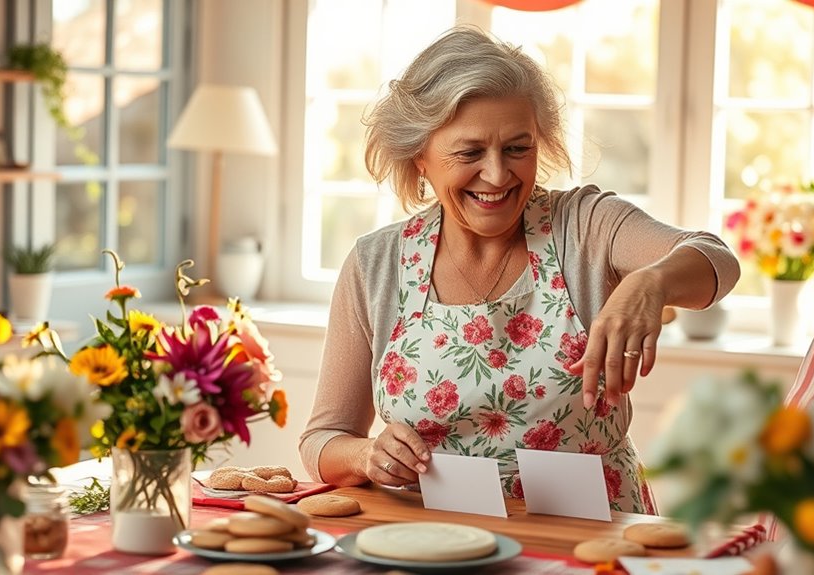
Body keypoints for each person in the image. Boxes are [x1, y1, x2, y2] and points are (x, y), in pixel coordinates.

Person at [299, 25, 740, 513]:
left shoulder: (584, 226)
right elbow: (323, 439)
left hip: (590, 533)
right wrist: (366, 456)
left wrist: (649, 282)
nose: (497, 174)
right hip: (433, 541)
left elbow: (716, 258)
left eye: (518, 147)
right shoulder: (376, 265)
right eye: (470, 152)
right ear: (420, 156)